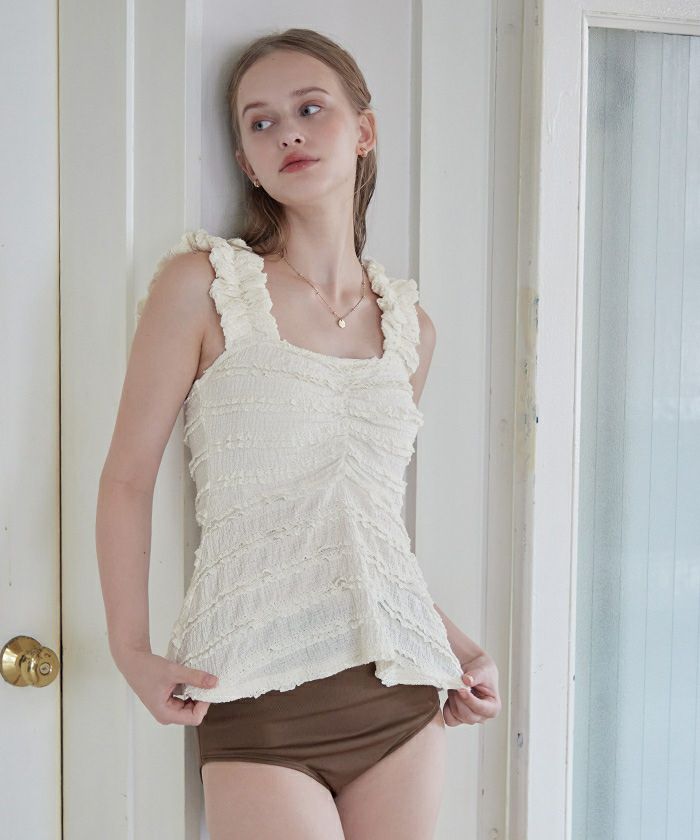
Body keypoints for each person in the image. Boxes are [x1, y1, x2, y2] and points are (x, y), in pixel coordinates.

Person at [96, 27, 501, 840]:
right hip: (256, 692)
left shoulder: (410, 328)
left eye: (310, 109)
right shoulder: (203, 287)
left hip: (401, 691)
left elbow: (362, 521)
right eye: (261, 122)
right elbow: (127, 480)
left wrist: (460, 648)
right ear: (247, 163)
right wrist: (130, 650)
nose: (287, 132)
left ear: (365, 130)